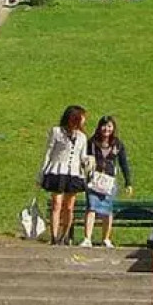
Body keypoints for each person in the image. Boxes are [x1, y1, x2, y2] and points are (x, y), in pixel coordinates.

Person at [38, 104, 88, 244]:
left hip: (73, 173)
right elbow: (48, 153)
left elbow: (82, 156)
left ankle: (65, 236)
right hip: (57, 170)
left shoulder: (82, 137)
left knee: (69, 206)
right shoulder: (56, 132)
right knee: (56, 204)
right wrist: (41, 173)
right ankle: (54, 236)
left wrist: (88, 162)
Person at [81, 116, 132, 248]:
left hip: (109, 181)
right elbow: (83, 159)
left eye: (109, 126)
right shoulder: (92, 142)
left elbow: (123, 163)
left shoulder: (117, 144)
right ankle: (87, 238)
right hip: (94, 178)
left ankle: (106, 238)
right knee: (91, 207)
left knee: (107, 210)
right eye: (104, 126)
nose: (106, 129)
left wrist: (128, 182)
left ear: (113, 128)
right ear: (99, 127)